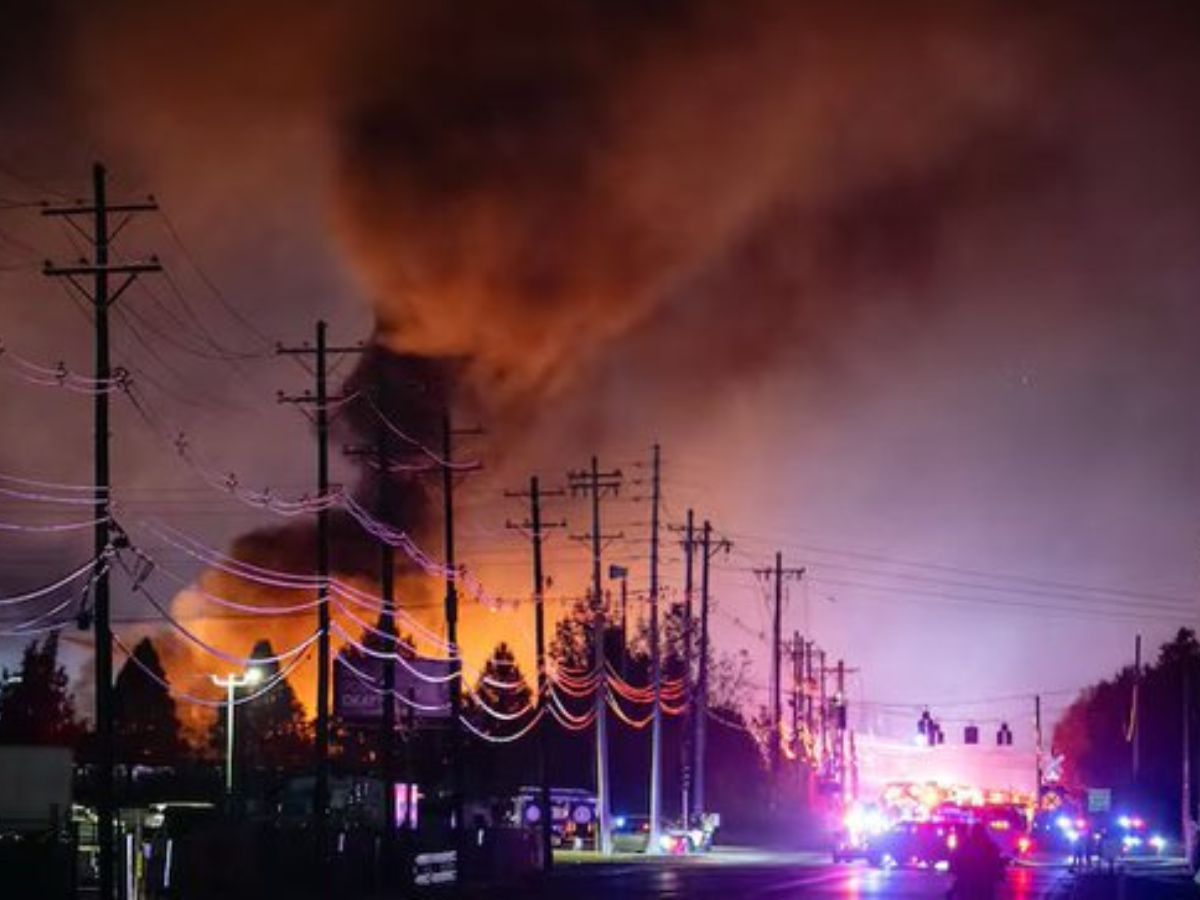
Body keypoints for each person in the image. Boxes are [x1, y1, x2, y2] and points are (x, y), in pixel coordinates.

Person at [949, 823, 1004, 900]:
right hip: (982, 881)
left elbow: (956, 861)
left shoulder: (966, 846)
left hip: (974, 881)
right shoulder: (989, 846)